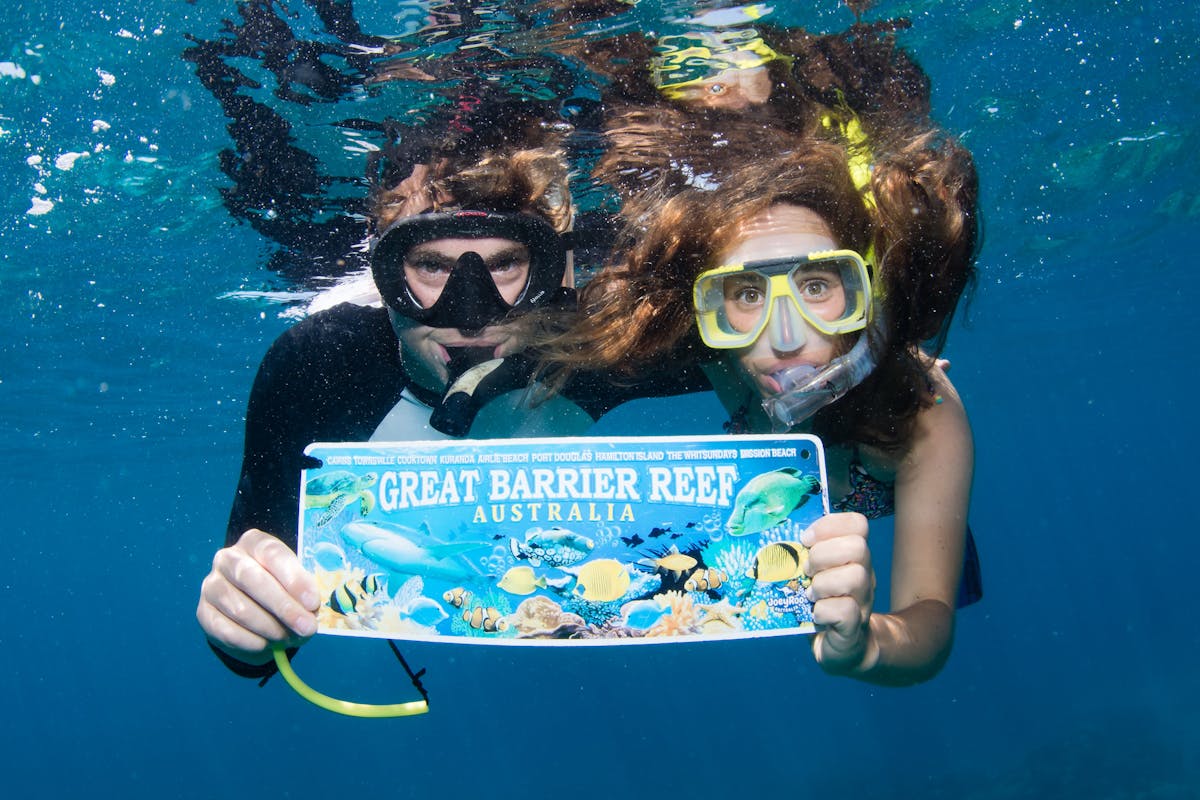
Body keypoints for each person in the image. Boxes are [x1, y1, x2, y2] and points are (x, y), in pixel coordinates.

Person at [538, 127, 979, 686]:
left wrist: (866, 647)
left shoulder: (925, 414)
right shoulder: (723, 356)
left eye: (817, 286)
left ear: (864, 289)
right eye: (748, 294)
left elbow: (930, 625)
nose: (786, 337)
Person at [197, 138, 592, 677]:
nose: (470, 315)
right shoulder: (321, 365)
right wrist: (245, 621)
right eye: (430, 266)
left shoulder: (597, 350)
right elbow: (260, 627)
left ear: (548, 274)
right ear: (384, 279)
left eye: (505, 266)